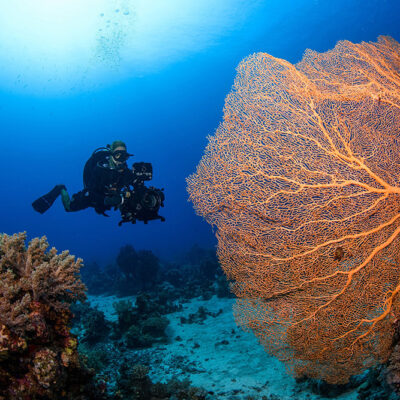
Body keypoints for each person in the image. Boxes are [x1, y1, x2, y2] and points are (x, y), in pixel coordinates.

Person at [32, 140, 135, 216]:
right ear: (111, 154)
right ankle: (61, 189)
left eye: (124, 156)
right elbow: (91, 191)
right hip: (92, 195)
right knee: (69, 207)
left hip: (108, 197)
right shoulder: (100, 169)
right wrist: (108, 200)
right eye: (118, 155)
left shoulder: (125, 171)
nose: (121, 160)